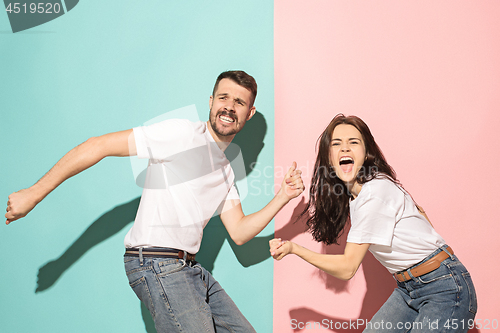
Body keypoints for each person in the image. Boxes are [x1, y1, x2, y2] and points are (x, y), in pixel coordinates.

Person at [5, 70, 304, 333]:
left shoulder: (227, 170)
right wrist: (34, 193)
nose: (229, 106)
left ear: (249, 113)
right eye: (224, 97)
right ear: (210, 101)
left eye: (239, 102)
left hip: (190, 270)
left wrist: (282, 198)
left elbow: (238, 232)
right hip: (155, 261)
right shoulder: (181, 133)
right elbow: (99, 145)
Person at [270, 114, 477, 332]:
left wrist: (294, 248)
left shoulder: (374, 191)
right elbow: (420, 213)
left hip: (444, 287)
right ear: (329, 156)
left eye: (353, 142)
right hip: (409, 289)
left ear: (366, 152)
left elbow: (348, 268)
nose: (345, 149)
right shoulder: (358, 195)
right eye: (337, 144)